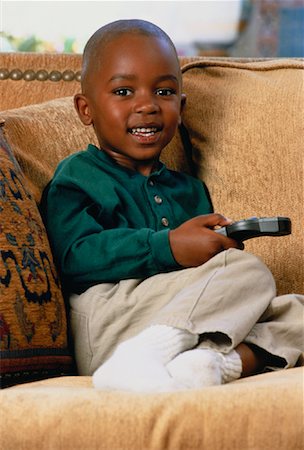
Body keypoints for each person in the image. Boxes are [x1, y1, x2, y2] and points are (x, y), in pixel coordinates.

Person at [40, 19, 303, 392]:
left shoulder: (189, 190)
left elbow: (202, 281)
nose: (146, 105)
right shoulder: (78, 175)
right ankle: (143, 357)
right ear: (86, 109)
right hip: (105, 320)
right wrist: (168, 247)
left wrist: (212, 251)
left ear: (180, 107)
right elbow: (73, 257)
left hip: (178, 316)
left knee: (296, 312)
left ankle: (209, 365)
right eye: (124, 91)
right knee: (250, 273)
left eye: (163, 92)